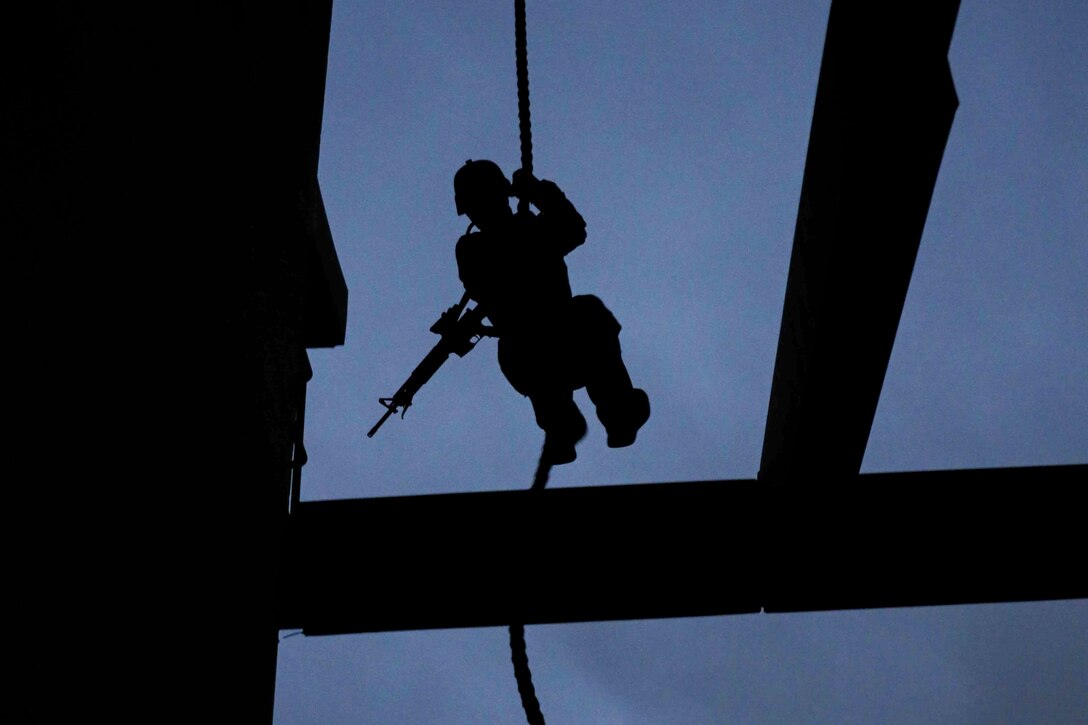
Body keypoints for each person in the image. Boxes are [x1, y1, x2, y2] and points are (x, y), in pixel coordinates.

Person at [453, 159, 649, 464]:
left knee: (588, 312)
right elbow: (486, 286)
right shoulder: (474, 247)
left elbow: (574, 230)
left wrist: (538, 193)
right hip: (533, 352)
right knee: (527, 343)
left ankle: (615, 412)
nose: (480, 213)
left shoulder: (529, 228)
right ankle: (564, 426)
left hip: (569, 339)